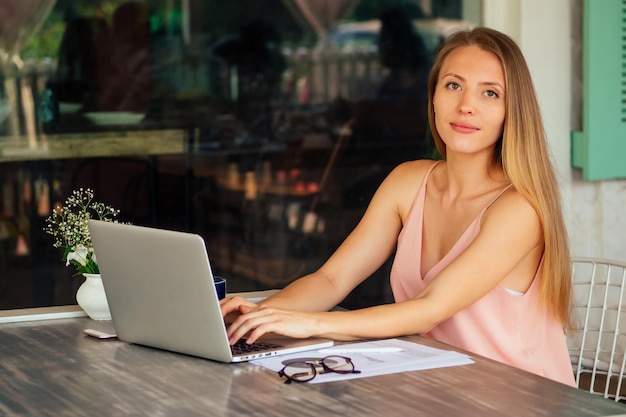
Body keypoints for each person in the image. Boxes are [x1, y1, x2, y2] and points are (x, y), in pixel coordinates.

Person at [221, 27, 575, 386]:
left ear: (511, 110)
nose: (466, 105)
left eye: (490, 93)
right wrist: (257, 318)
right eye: (453, 85)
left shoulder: (519, 209)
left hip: (517, 398)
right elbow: (331, 279)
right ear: (433, 97)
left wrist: (308, 323)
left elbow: (429, 311)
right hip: (429, 386)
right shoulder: (408, 182)